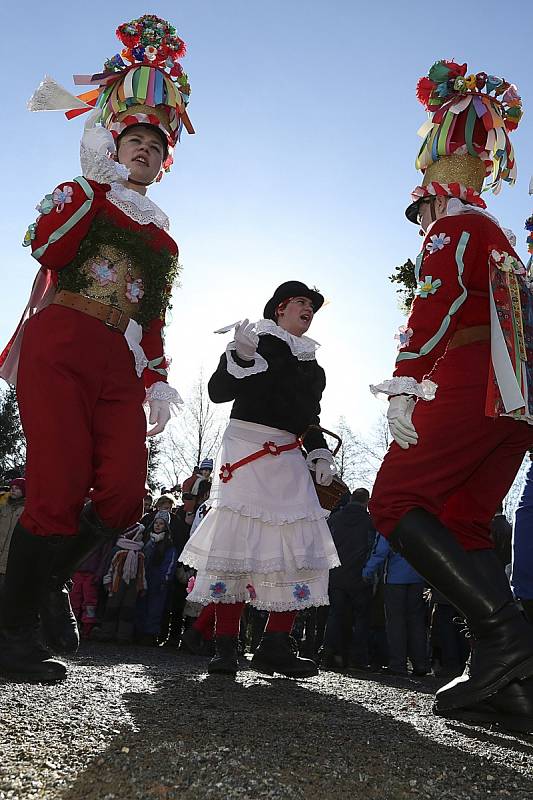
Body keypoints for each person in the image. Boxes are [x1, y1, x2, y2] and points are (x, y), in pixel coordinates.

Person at [0, 13, 193, 682]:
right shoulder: (83, 193)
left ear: (165, 166)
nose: (144, 150)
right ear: (113, 144)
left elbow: (155, 312)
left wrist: (159, 377)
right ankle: (12, 630)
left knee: (120, 498)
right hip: (59, 341)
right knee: (54, 491)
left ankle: (48, 581)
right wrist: (87, 187)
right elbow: (48, 247)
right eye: (133, 140)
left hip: (117, 361)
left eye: (155, 147)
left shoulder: (163, 239)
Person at [368, 60, 533, 730]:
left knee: (393, 500)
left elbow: (432, 309)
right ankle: (512, 687)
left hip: (471, 377)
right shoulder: (500, 244)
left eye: (420, 210)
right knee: (464, 519)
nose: (419, 225)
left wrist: (404, 383)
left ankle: (506, 639)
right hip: (516, 404)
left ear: (435, 198)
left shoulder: (453, 229)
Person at [180, 281, 340, 676]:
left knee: (296, 546)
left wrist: (318, 451)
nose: (309, 310)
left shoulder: (311, 362)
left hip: (288, 453)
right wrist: (240, 356)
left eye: (313, 306)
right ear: (280, 308)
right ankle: (225, 647)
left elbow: (309, 418)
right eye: (301, 302)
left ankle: (275, 646)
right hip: (247, 448)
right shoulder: (257, 342)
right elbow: (219, 392)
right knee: (237, 545)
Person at [322, 488, 376, 670]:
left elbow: (325, 543)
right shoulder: (370, 522)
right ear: (367, 501)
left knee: (335, 615)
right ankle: (357, 659)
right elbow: (372, 547)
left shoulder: (335, 518)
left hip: (337, 573)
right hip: (360, 575)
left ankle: (328, 654)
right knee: (361, 618)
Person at [363, 534, 427, 676]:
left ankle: (398, 664)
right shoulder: (418, 520)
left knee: (395, 623)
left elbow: (381, 551)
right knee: (416, 622)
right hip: (417, 577)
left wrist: (367, 571)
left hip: (395, 579)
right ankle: (420, 663)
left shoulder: (391, 524)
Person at [95, 523, 147, 644]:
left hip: (133, 585)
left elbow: (142, 571)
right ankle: (107, 633)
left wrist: (143, 585)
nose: (142, 537)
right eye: (140, 534)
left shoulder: (140, 553)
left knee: (128, 608)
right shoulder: (118, 550)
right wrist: (107, 581)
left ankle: (124, 635)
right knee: (112, 607)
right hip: (116, 583)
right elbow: (110, 567)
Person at [136, 511, 177, 644]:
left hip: (158, 580)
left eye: (161, 524)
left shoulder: (168, 545)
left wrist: (165, 578)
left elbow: (170, 563)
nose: (158, 526)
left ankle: (150, 634)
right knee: (141, 605)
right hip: (145, 577)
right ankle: (139, 631)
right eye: (156, 523)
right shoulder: (147, 541)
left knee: (155, 608)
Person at [0, 480, 26, 593]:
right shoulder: (3, 506)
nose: (13, 489)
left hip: (11, 560)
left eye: (17, 488)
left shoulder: (27, 510)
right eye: (12, 487)